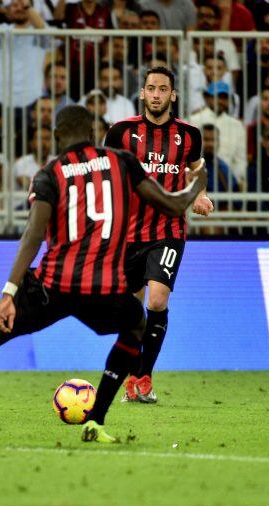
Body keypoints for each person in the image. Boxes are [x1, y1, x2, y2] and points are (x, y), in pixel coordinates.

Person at [0, 104, 209, 444]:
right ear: (93, 133)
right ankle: (96, 420)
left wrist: (9, 292)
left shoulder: (51, 173)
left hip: (52, 285)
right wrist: (200, 183)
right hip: (103, 287)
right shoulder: (122, 162)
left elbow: (33, 235)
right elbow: (174, 204)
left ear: (56, 137)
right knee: (137, 324)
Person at [104, 67, 213, 404]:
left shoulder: (189, 134)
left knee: (157, 300)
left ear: (173, 95)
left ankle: (143, 377)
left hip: (169, 229)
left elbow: (197, 171)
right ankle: (132, 375)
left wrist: (198, 195)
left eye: (162, 89)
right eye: (151, 88)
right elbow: (105, 170)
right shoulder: (121, 132)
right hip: (129, 233)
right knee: (132, 310)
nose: (156, 95)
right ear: (142, 93)